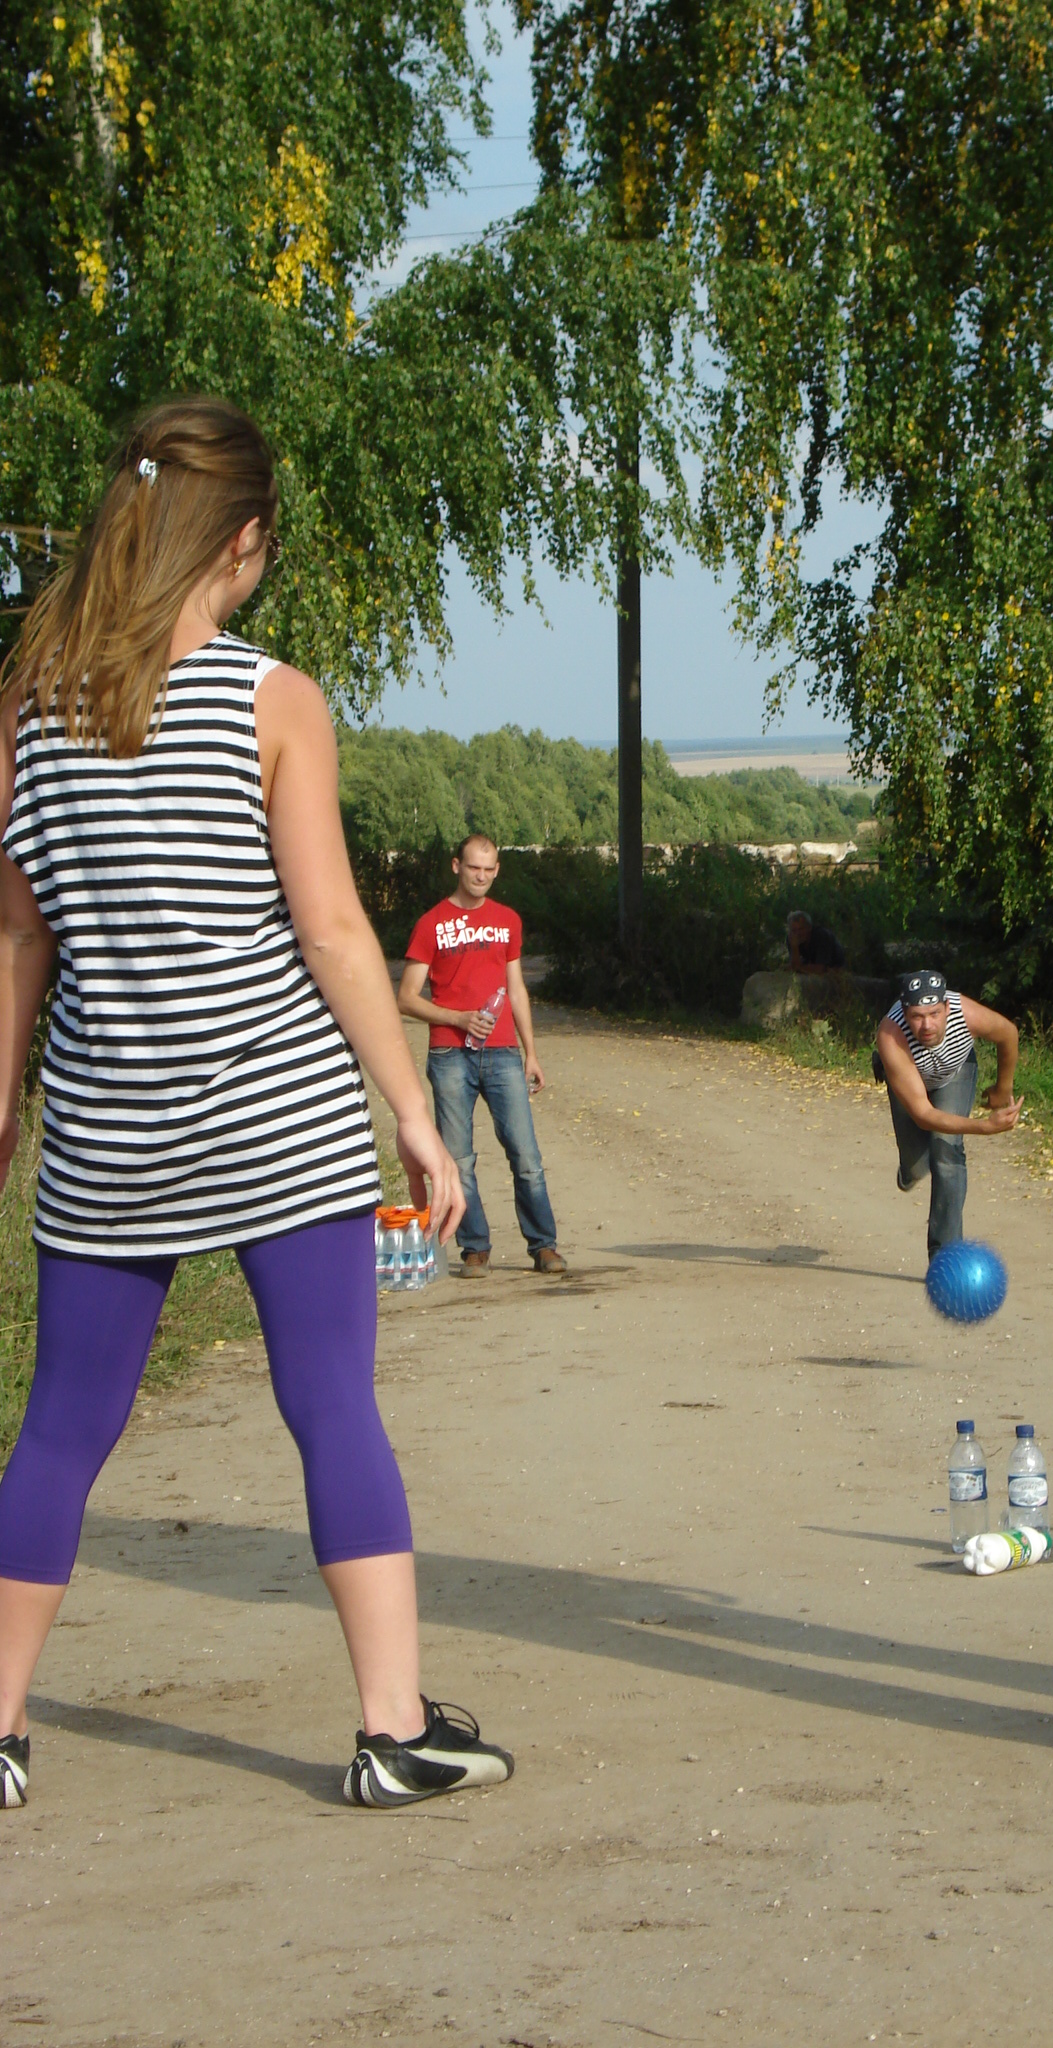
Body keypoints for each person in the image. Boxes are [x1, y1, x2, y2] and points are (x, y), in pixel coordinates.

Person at [0, 397, 512, 1810]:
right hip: (279, 1119)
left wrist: (0, 1111)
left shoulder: (27, 703)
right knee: (332, 1405)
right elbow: (336, 931)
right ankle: (392, 1730)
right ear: (240, 541)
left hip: (106, 1130)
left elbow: (17, 937)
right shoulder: (270, 698)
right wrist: (413, 1108)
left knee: (59, 1428)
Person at [398, 835, 565, 1276]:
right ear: (456, 865)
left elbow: (516, 989)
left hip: (503, 1052)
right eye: (474, 867)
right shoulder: (431, 924)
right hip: (450, 1054)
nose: (482, 876)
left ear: (497, 870)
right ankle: (474, 1248)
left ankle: (544, 1246)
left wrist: (531, 1052)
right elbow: (406, 998)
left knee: (526, 1156)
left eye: (490, 869)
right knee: (458, 1160)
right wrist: (457, 1018)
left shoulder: (507, 920)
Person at [873, 969, 1020, 1259]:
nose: (927, 1025)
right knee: (917, 1166)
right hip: (910, 1077)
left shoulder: (967, 1014)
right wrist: (984, 1126)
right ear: (904, 1013)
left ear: (947, 1008)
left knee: (947, 1151)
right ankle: (910, 1170)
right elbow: (923, 1114)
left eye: (934, 1014)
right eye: (916, 1016)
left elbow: (1008, 1034)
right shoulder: (890, 1034)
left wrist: (1003, 1087)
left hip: (955, 1071)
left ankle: (945, 1255)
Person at [786, 908, 845, 975]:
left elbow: (820, 969)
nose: (798, 933)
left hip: (834, 970)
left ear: (809, 927)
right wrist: (794, 947)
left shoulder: (822, 936)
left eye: (801, 929)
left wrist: (798, 967)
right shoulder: (792, 938)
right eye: (794, 930)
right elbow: (794, 966)